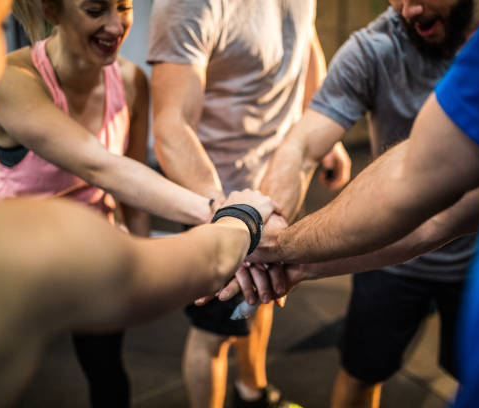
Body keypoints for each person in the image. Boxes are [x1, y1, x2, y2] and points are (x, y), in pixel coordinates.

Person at [0, 0, 276, 406]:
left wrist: (142, 249)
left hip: (91, 246)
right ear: (53, 10)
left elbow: (129, 181)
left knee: (107, 373)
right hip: (22, 247)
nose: (116, 25)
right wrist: (235, 215)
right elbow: (101, 167)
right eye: (96, 10)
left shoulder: (130, 79)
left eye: (124, 7)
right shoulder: (14, 76)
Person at [229, 0, 479, 405]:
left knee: (476, 377)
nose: (407, 8)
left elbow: (437, 215)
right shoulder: (374, 47)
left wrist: (283, 251)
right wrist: (267, 226)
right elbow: (303, 145)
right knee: (361, 372)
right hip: (387, 260)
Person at [147, 1, 351, 407]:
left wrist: (326, 132)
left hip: (278, 181)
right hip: (216, 194)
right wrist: (232, 218)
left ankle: (253, 392)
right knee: (214, 335)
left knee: (264, 295)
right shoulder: (189, 5)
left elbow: (304, 37)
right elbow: (172, 126)